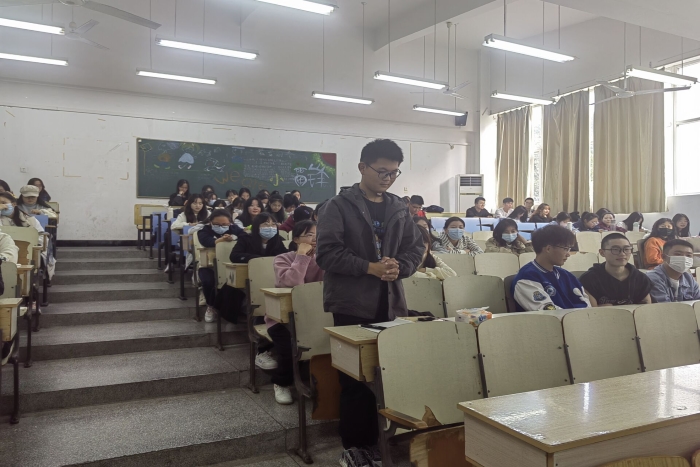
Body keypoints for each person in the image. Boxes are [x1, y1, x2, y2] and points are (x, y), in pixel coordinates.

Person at [316, 138, 424, 467]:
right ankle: (354, 447)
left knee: (388, 375)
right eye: (382, 171)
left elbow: (415, 248)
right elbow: (327, 254)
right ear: (362, 167)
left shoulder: (398, 208)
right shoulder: (338, 206)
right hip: (351, 304)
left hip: (390, 302)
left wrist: (399, 267)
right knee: (355, 380)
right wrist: (369, 267)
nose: (388, 178)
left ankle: (379, 443)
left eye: (394, 173)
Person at [268, 220, 324, 405]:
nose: (314, 239)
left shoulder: (324, 259)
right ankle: (281, 383)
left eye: (318, 235)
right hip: (283, 317)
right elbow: (293, 283)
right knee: (288, 347)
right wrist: (302, 257)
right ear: (296, 239)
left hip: (315, 315)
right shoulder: (282, 259)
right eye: (309, 235)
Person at [511, 225, 591, 312]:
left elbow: (586, 303)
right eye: (565, 249)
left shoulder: (566, 275)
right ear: (548, 249)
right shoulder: (526, 278)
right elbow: (549, 312)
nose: (568, 254)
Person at [197, 210, 246, 323]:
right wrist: (221, 240)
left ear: (230, 223)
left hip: (229, 263)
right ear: (210, 222)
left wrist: (234, 238)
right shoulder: (204, 231)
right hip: (209, 265)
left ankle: (235, 309)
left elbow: (245, 237)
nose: (221, 227)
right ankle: (210, 306)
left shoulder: (234, 229)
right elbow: (207, 242)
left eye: (224, 224)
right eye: (217, 224)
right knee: (208, 281)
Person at [579, 233, 652, 306]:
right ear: (602, 252)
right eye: (615, 249)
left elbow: (646, 307)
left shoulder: (640, 278)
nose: (622, 253)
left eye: (626, 249)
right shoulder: (589, 279)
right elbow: (592, 310)